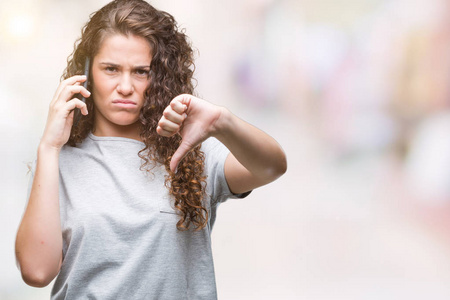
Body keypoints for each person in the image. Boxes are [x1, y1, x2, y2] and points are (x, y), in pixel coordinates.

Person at [15, 0, 287, 299]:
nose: (125, 86)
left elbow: (271, 167)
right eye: (111, 69)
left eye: (141, 71)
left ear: (160, 75)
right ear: (87, 71)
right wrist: (49, 146)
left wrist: (223, 121)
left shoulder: (191, 151)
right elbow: (37, 272)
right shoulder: (57, 162)